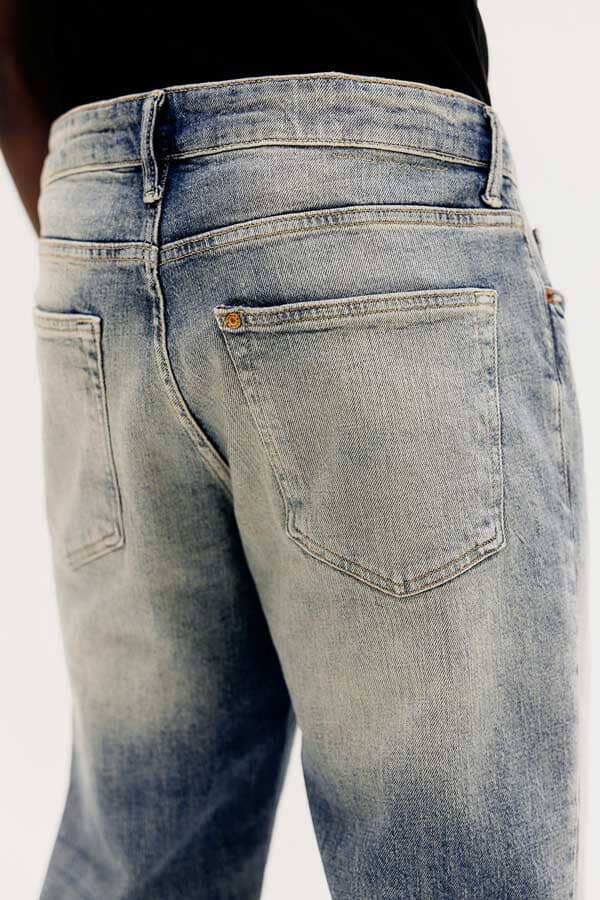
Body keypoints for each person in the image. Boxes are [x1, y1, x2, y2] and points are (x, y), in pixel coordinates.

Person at [0, 2, 587, 898]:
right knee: (454, 867)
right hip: (360, 172)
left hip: (91, 212)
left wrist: (107, 236)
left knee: (140, 847)